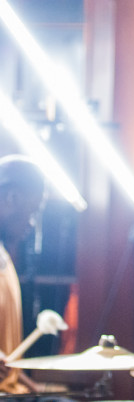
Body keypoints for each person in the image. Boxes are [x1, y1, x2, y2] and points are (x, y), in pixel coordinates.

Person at [0, 155, 46, 394]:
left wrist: (36, 388)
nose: (31, 224)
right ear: (12, 198)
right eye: (32, 211)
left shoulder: (4, 257)